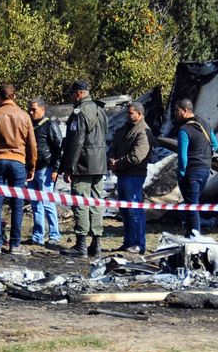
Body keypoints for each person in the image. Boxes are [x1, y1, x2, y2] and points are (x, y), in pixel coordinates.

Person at [0, 84, 36, 254]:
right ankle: (15, 244)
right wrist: (32, 166)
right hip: (18, 161)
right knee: (17, 204)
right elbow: (32, 144)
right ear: (15, 96)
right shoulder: (24, 116)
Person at [60, 80, 108, 258]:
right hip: (99, 162)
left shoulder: (80, 111)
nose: (72, 97)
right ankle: (96, 244)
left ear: (79, 93)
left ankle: (81, 244)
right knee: (96, 202)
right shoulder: (100, 110)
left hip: (83, 163)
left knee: (80, 201)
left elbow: (76, 140)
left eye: (73, 93)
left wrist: (69, 166)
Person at [108, 102, 153, 254]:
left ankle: (139, 244)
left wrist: (118, 163)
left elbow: (137, 156)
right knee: (125, 211)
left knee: (134, 211)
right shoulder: (124, 129)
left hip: (134, 176)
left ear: (139, 114)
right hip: (122, 175)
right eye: (127, 113)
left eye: (131, 113)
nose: (127, 116)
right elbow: (114, 146)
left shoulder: (143, 132)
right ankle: (128, 242)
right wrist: (112, 160)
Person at [173, 98, 218, 238]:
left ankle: (194, 237)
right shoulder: (205, 124)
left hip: (191, 172)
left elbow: (183, 156)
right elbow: (215, 144)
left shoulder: (184, 130)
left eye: (177, 110)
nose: (175, 113)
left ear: (185, 111)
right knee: (193, 203)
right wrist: (205, 156)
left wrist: (181, 173)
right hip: (205, 170)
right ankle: (190, 233)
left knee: (192, 206)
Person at [27, 97, 63, 247]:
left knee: (47, 203)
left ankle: (54, 235)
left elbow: (58, 148)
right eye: (29, 109)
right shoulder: (29, 125)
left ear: (42, 109)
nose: (31, 112)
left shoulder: (50, 125)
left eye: (34, 109)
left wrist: (56, 169)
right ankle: (38, 236)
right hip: (32, 170)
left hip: (46, 169)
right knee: (35, 204)